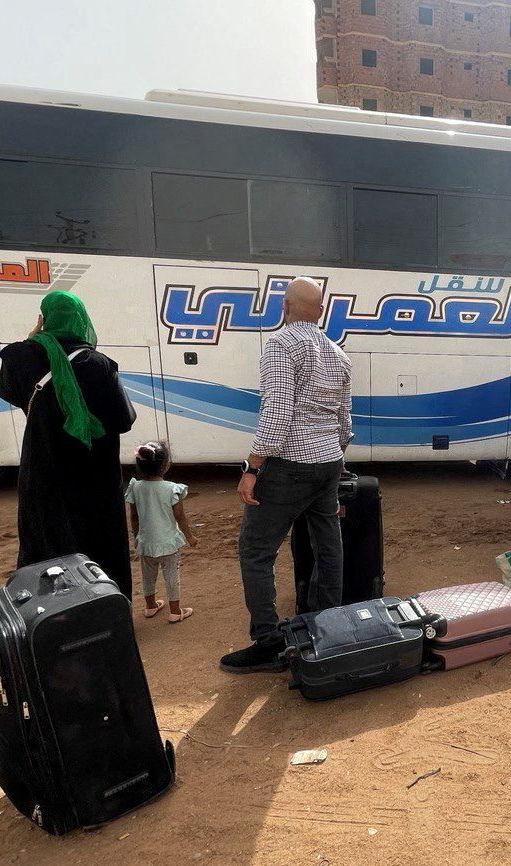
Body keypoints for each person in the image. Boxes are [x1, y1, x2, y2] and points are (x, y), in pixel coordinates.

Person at [220, 277, 353, 674]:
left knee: (256, 551)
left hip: (290, 465)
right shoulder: (338, 354)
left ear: (284, 306)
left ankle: (267, 641)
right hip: (329, 463)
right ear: (321, 310)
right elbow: (345, 423)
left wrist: (252, 468)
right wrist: (332, 455)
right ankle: (326, 627)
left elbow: (276, 414)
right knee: (328, 543)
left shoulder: (280, 344)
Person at [0, 291, 137, 597]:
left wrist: (32, 340)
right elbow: (124, 420)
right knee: (101, 543)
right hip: (94, 472)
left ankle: (55, 616)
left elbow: (12, 392)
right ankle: (107, 607)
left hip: (43, 467)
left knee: (47, 540)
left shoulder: (18, 357)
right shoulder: (98, 364)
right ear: (82, 320)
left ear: (44, 318)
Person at [126, 441, 198, 623]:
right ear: (165, 465)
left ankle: (150, 606)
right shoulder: (172, 489)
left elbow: (134, 516)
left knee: (148, 577)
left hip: (145, 542)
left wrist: (136, 535)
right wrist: (189, 537)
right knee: (172, 577)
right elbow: (180, 517)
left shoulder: (135, 487)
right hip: (168, 543)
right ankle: (175, 611)